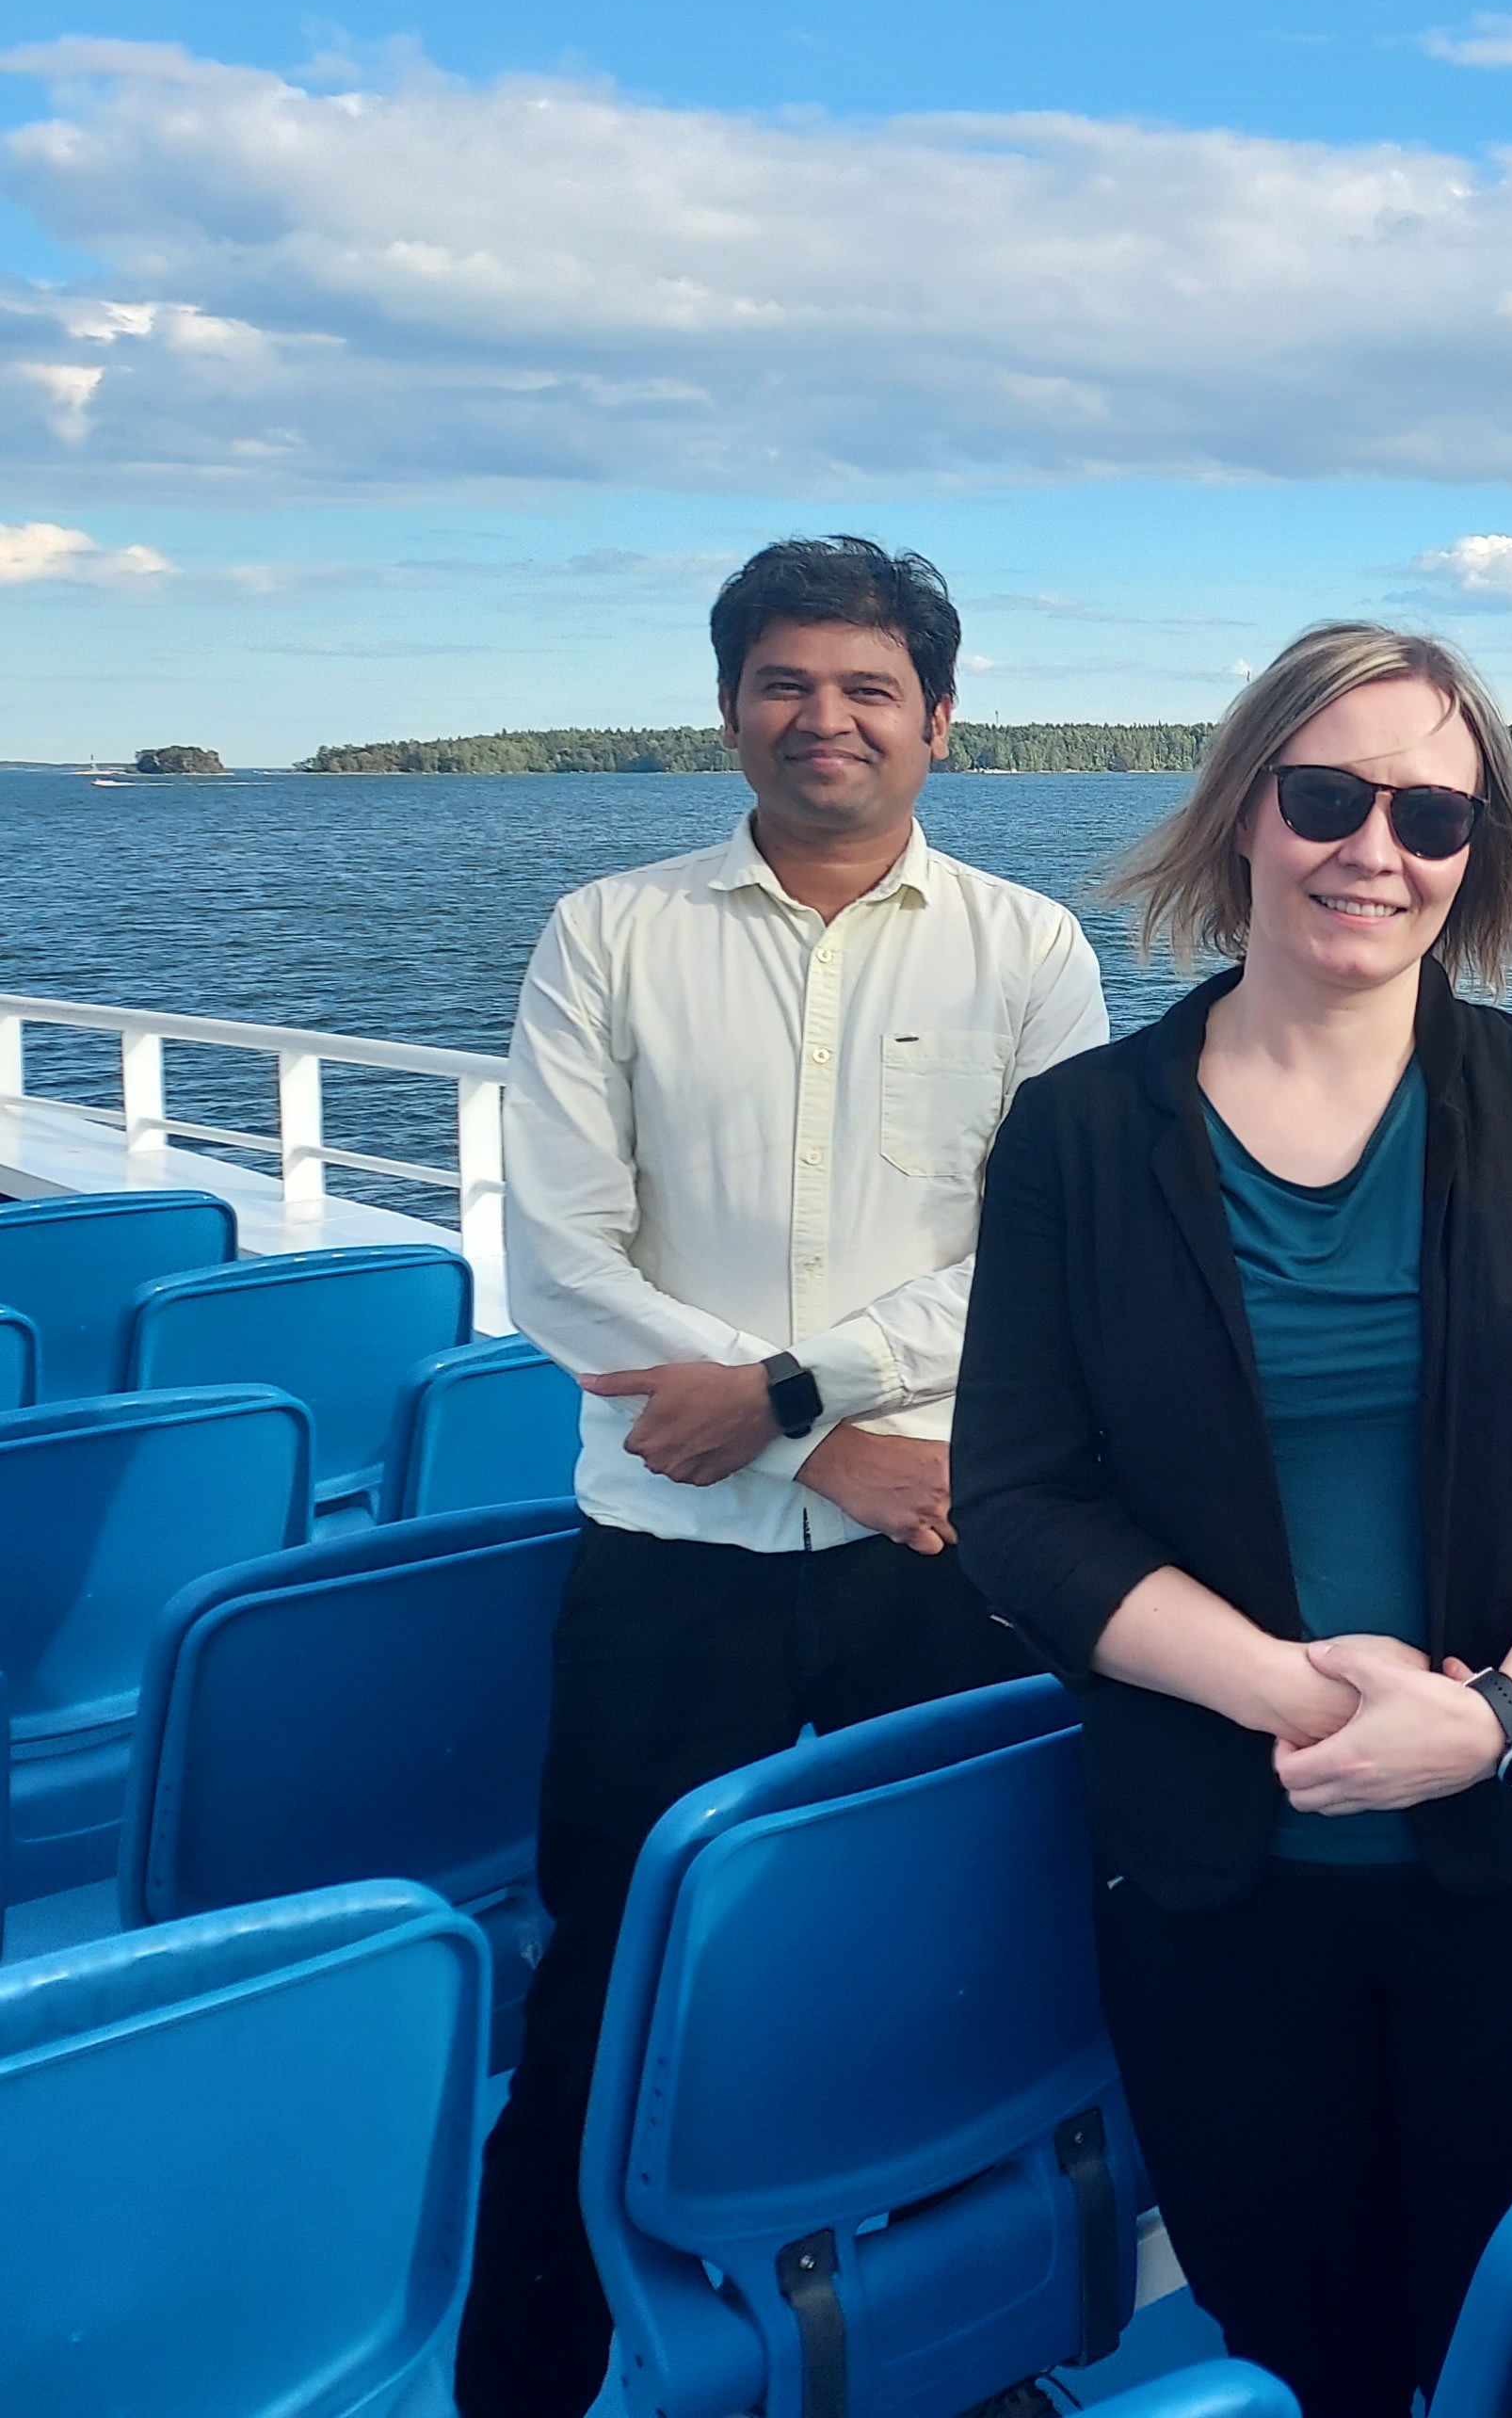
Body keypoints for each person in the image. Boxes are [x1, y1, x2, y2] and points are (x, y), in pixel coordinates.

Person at [953, 622, 1512, 2418]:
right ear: (1243, 815)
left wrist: (1499, 1715)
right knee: (1298, 2337)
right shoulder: (1077, 1136)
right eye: (1327, 796)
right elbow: (1017, 1503)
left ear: (1476, 860)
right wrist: (1295, 1698)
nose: (1377, 848)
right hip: (1223, 1882)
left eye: (1433, 817)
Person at [459, 537, 1111, 2418]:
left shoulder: (1025, 951)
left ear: (939, 720)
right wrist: (817, 1437)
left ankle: (942, 2360)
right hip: (671, 1554)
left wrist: (796, 1392)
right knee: (610, 1994)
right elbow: (563, 1251)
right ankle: (535, 2373)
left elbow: (1046, 1257)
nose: (824, 719)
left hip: (932, 1558)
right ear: (730, 701)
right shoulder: (612, 932)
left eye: (867, 687)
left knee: (937, 1969)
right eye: (785, 683)